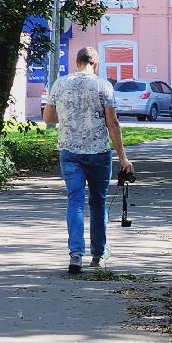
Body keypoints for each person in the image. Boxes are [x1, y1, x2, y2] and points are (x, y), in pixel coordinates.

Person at [43, 46, 135, 274]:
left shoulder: (59, 84)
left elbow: (49, 118)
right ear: (96, 64)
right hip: (98, 153)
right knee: (98, 202)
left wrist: (69, 114)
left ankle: (76, 255)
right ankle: (98, 254)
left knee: (75, 201)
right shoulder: (103, 85)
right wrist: (123, 158)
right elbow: (112, 123)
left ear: (77, 63)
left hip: (69, 152)